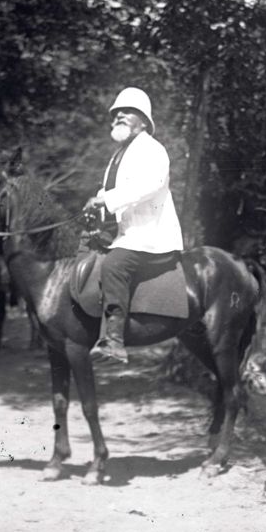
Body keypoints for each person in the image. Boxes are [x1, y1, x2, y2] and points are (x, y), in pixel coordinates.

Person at [83, 87, 183, 363]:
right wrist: (95, 209)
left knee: (114, 265)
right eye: (116, 113)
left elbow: (148, 186)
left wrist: (105, 201)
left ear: (143, 120)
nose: (119, 116)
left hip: (151, 238)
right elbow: (110, 196)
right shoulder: (118, 155)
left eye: (126, 112)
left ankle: (114, 341)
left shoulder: (153, 149)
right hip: (127, 236)